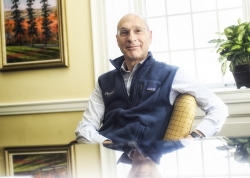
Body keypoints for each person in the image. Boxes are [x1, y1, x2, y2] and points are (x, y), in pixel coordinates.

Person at [75, 13, 228, 145]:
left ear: (150, 36)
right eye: (124, 32)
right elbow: (85, 127)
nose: (131, 38)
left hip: (147, 160)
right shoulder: (104, 82)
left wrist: (195, 137)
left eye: (138, 31)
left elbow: (218, 108)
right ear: (117, 40)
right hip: (106, 158)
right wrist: (106, 144)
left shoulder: (172, 74)